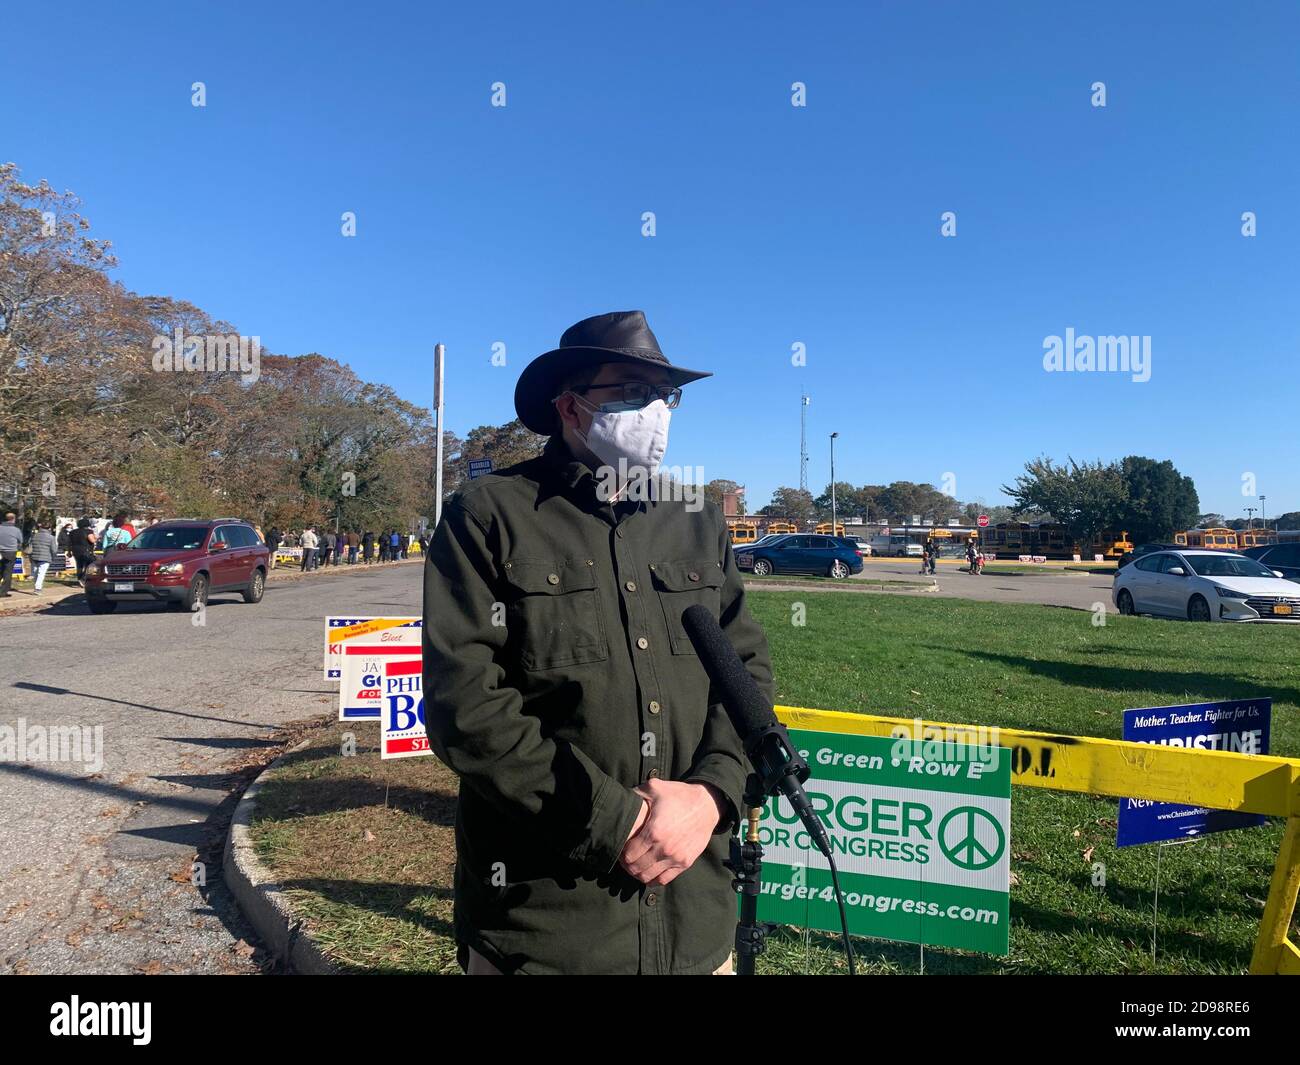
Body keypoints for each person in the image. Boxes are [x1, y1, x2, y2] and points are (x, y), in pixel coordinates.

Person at [424, 310, 773, 975]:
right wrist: (615, 823)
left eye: (664, 395)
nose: (656, 412)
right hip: (547, 928)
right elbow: (464, 706)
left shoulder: (699, 521)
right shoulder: (488, 515)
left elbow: (745, 674)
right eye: (632, 392)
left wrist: (712, 795)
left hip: (695, 921)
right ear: (570, 407)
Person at [24, 520, 58, 594]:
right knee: (41, 574)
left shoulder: (34, 536)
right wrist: (53, 557)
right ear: (49, 528)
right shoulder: (51, 537)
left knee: (36, 573)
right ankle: (37, 589)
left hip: (34, 557)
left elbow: (30, 546)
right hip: (45, 557)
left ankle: (36, 587)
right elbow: (54, 550)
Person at [68, 518, 97, 583]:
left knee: (79, 565)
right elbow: (92, 540)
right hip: (86, 550)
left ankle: (79, 578)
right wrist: (96, 538)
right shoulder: (88, 531)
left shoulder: (72, 532)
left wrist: (69, 551)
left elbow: (69, 543)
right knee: (90, 563)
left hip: (75, 550)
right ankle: (83, 577)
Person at [0, 512, 21, 597]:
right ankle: (3, 592)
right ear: (13, 519)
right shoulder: (16, 530)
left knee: (1, 570)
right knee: (8, 572)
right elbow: (21, 540)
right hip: (10, 552)